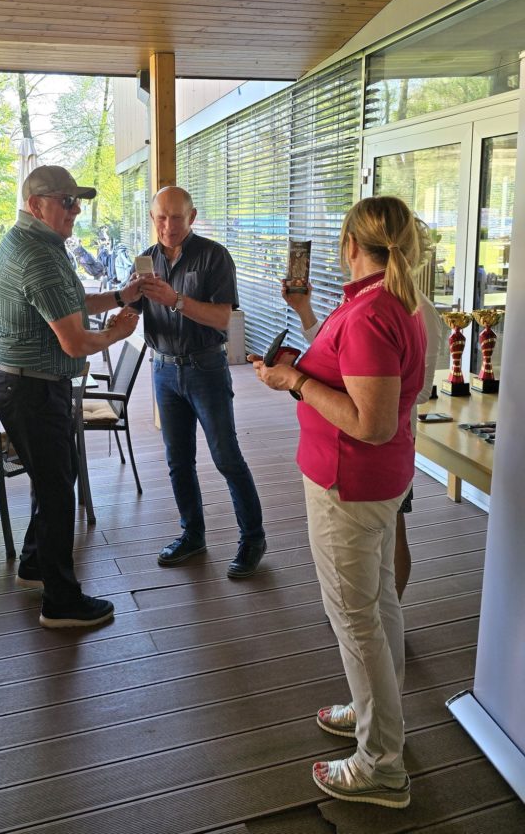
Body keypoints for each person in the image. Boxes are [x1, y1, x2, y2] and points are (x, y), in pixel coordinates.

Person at [250, 195, 426, 809]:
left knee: (356, 619)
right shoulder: (391, 301)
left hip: (348, 484)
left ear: (352, 244)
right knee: (377, 606)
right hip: (372, 482)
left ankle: (382, 766)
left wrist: (295, 380)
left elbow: (371, 422)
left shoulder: (372, 311)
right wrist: (303, 357)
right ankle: (377, 716)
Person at [0, 165, 142, 630]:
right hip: (33, 389)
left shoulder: (35, 244)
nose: (76, 210)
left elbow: (68, 304)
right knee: (57, 492)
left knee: (57, 476)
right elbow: (74, 342)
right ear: (36, 205)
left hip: (24, 385)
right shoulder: (37, 256)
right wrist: (115, 335)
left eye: (78, 201)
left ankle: (34, 565)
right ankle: (60, 603)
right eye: (66, 201)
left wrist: (121, 295)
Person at [281, 216, 444, 599]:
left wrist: (300, 382)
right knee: (376, 572)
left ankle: (369, 615)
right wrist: (304, 311)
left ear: (353, 245)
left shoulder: (391, 308)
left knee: (383, 557)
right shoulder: (371, 300)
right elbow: (338, 358)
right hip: (370, 459)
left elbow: (415, 392)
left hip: (365, 462)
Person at [131, 186, 266, 579]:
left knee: (226, 457)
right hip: (163, 370)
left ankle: (253, 538)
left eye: (176, 216)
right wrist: (112, 321)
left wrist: (175, 300)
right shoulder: (146, 260)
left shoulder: (214, 256)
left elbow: (223, 318)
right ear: (152, 217)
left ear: (191, 217)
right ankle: (192, 535)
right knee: (178, 461)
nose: (168, 225)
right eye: (161, 216)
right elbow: (132, 311)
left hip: (205, 367)